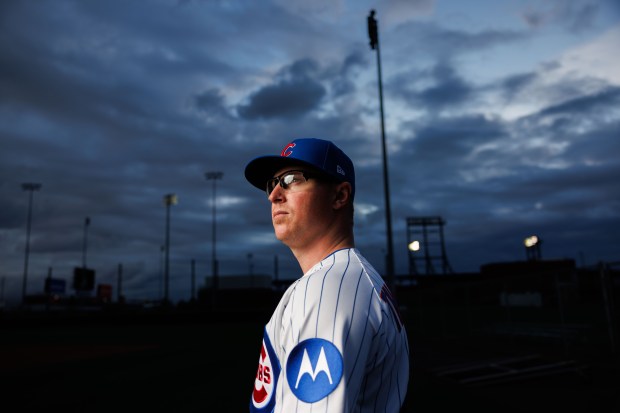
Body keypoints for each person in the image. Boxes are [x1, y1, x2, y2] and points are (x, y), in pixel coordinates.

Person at [245, 138, 409, 413]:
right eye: (272, 184)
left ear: (339, 196)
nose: (274, 195)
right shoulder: (347, 279)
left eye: (292, 179)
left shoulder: (329, 290)